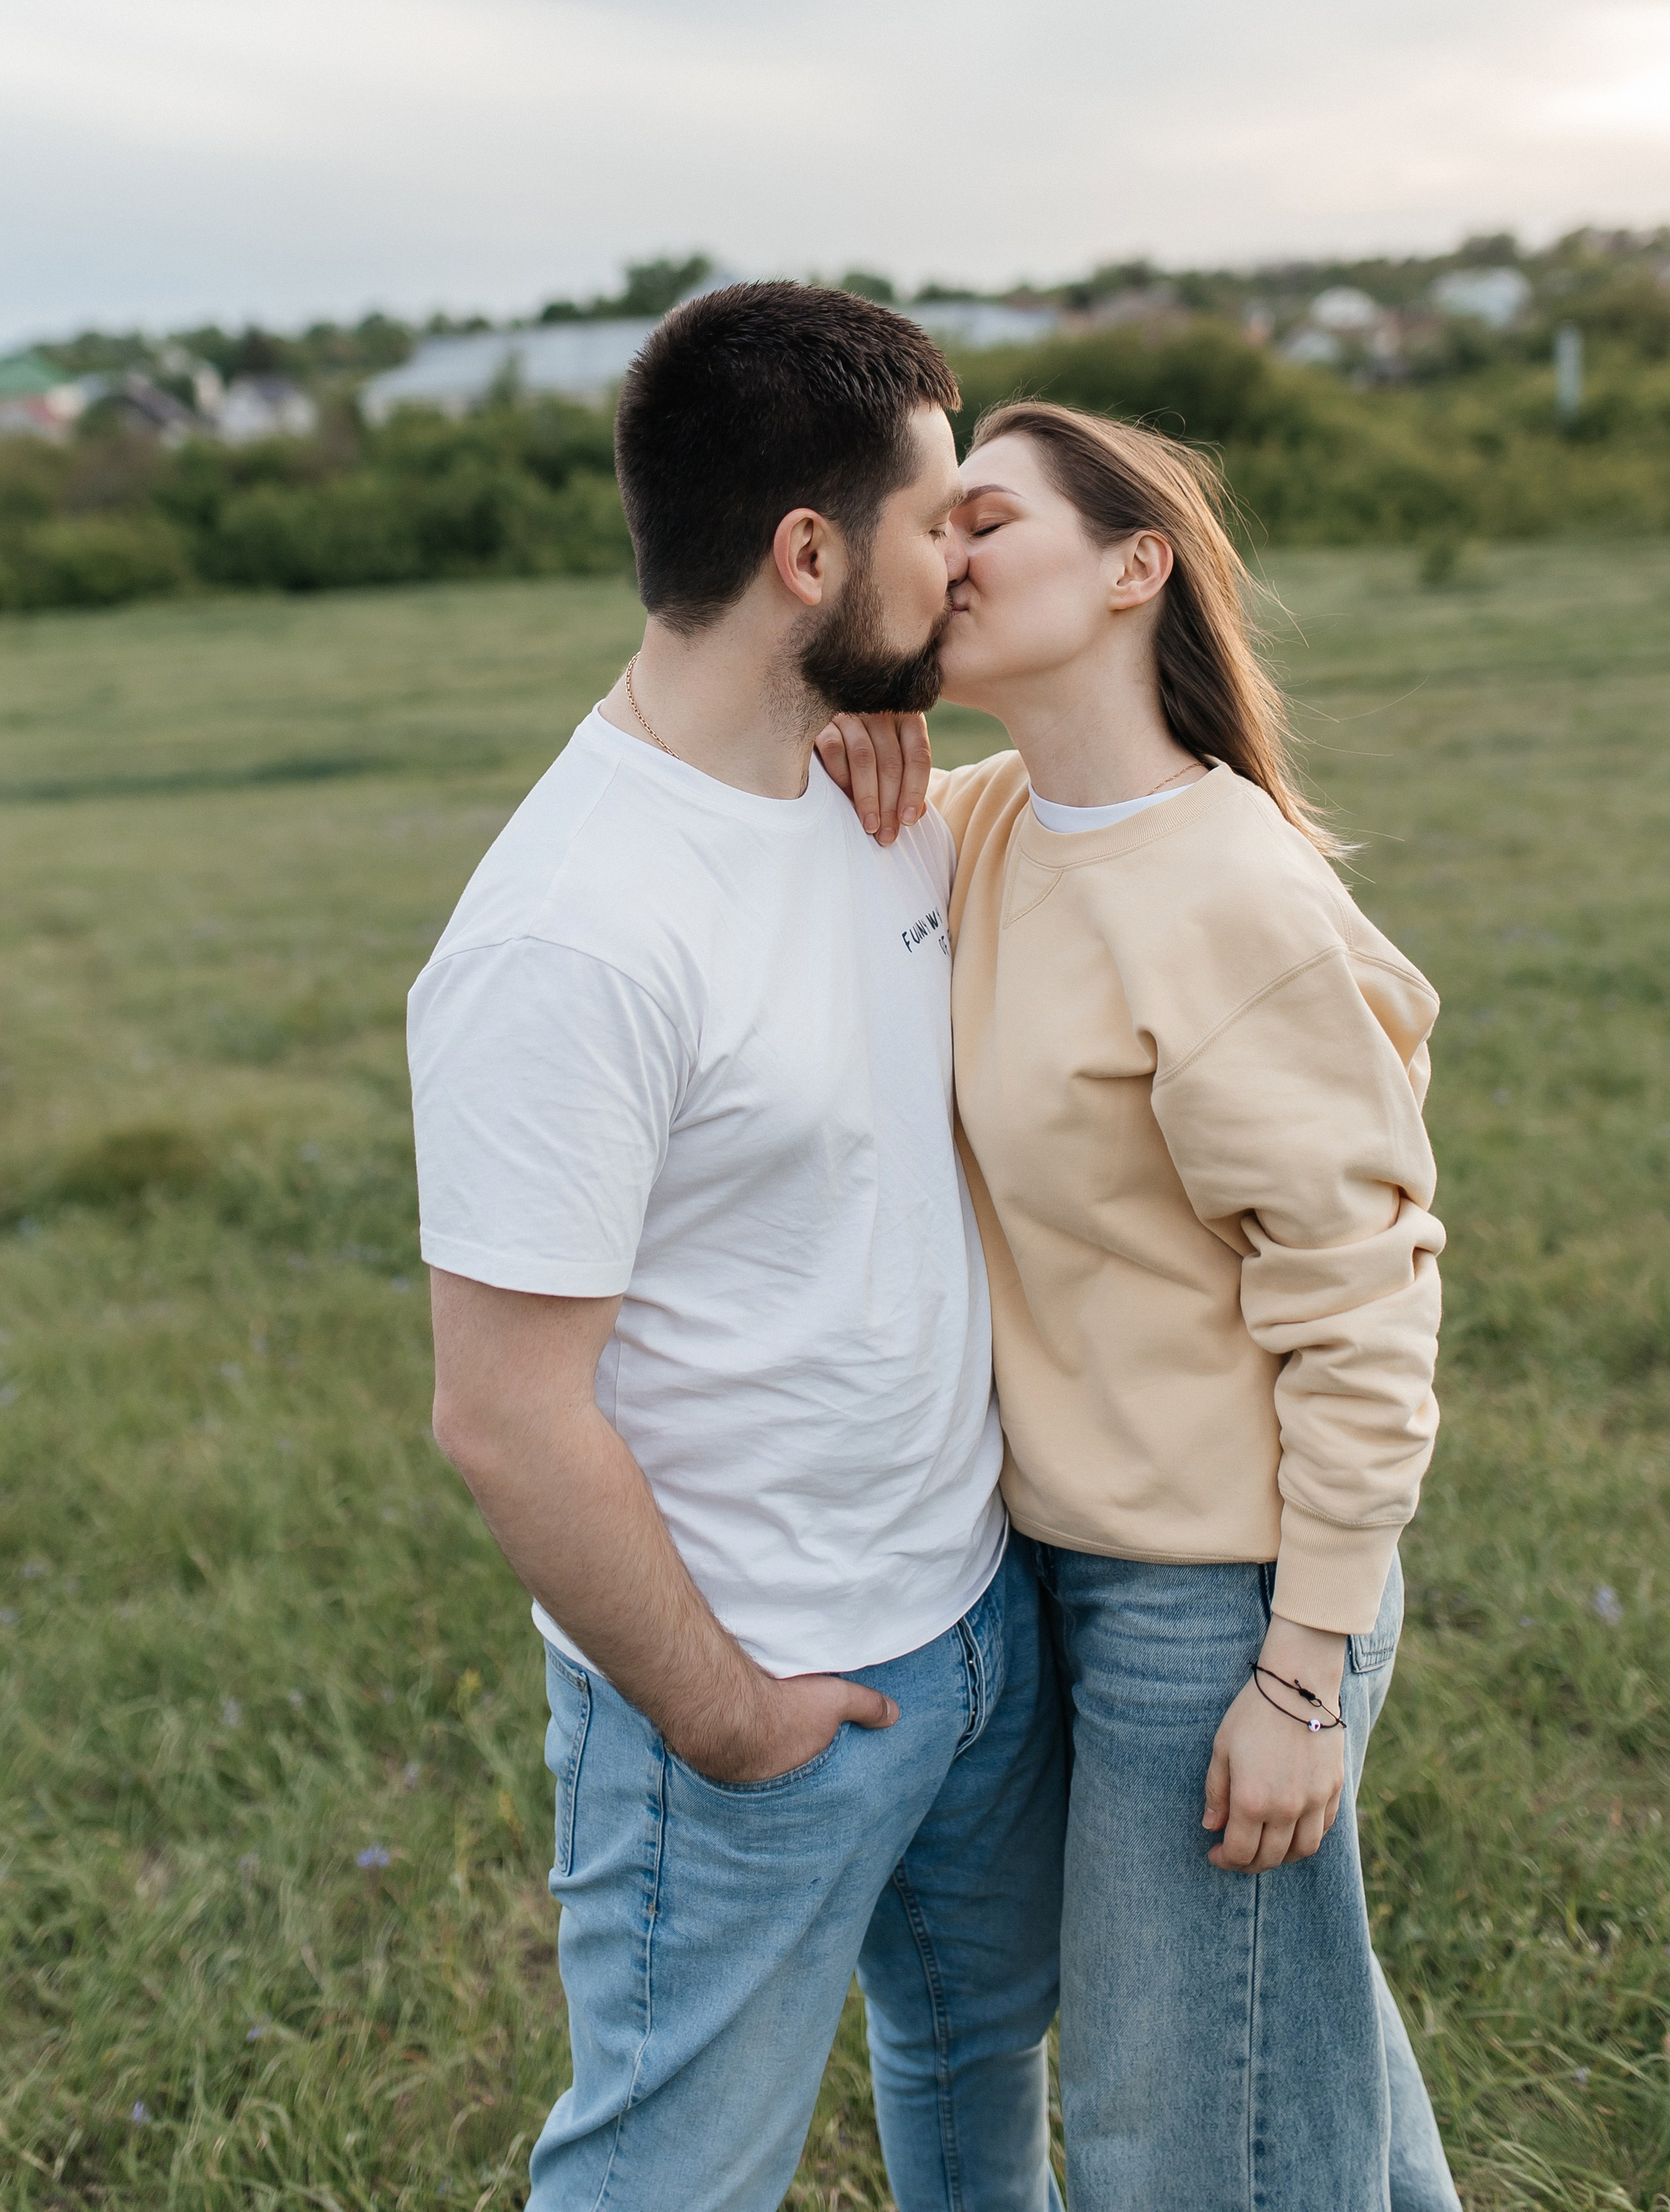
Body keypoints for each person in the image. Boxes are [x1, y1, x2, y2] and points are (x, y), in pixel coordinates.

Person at [407, 288, 1065, 2212]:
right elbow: (506, 1416)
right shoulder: (572, 933)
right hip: (755, 1701)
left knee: (974, 2070)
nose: (965, 559)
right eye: (940, 520)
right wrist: (720, 1713)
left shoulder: (867, 788)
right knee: (670, 2179)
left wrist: (898, 738)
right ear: (806, 553)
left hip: (971, 1627)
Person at [820, 400, 1460, 2212]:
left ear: (1131, 569)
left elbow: (1364, 1311)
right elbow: (812, 802)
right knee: (1285, 2055)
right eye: (929, 528)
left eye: (985, 524)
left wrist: (1302, 1667)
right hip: (1072, 1562)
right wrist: (852, 721)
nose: (938, 558)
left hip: (1228, 1593)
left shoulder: (1226, 892)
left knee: (1181, 2136)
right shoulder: (995, 819)